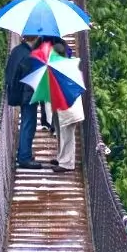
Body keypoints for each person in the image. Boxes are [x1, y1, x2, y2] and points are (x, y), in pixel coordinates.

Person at [5, 35, 42, 169]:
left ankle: (24, 153)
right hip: (27, 96)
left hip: (16, 92)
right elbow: (30, 80)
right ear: (35, 39)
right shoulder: (28, 56)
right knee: (28, 124)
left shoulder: (16, 50)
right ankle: (24, 158)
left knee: (26, 123)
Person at [48, 38, 84, 173]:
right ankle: (61, 158)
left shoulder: (65, 68)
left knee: (67, 135)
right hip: (61, 107)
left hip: (69, 108)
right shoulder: (60, 67)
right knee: (61, 134)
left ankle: (67, 163)